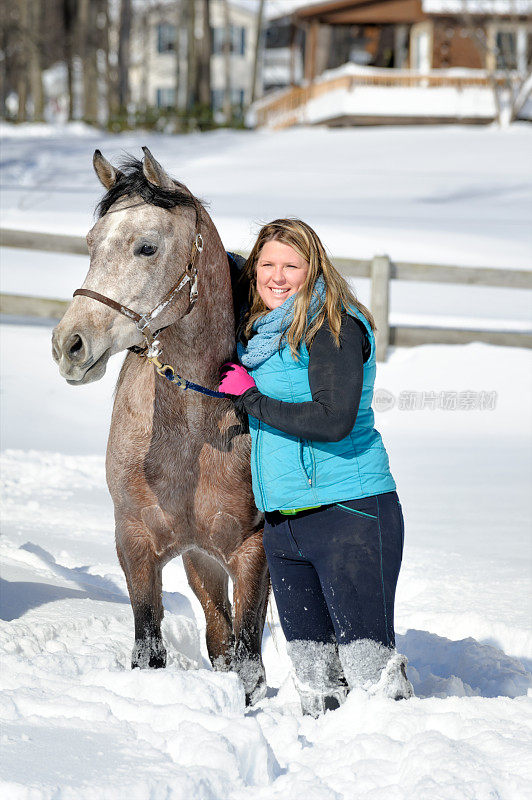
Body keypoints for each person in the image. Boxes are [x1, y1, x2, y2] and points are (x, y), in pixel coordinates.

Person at [219, 219, 413, 716]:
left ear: (314, 269)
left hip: (349, 512)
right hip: (285, 525)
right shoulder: (261, 333)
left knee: (370, 676)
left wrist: (252, 400)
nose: (277, 277)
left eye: (292, 266)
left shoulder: (333, 325)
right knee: (315, 680)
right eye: (267, 265)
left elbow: (333, 420)